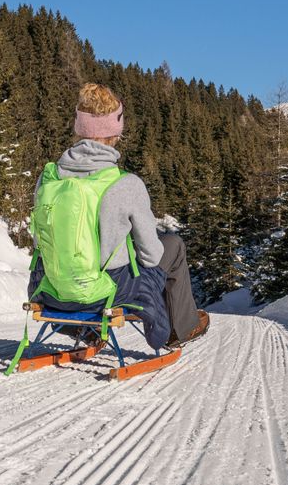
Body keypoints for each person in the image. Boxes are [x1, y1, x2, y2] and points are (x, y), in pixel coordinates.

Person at [27, 83, 209, 351]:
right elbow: (151, 256)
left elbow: (40, 241)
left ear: (79, 127)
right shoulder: (125, 184)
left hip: (51, 289)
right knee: (173, 245)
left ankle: (84, 330)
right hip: (109, 293)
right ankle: (179, 329)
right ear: (116, 131)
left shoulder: (49, 178)